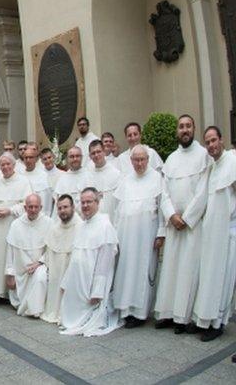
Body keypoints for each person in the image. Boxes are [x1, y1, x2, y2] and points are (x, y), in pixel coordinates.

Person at [154, 115, 210, 332]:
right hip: (174, 224)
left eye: (188, 126)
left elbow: (204, 190)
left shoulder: (203, 156)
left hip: (192, 226)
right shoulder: (171, 159)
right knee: (172, 270)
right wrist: (171, 215)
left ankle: (186, 317)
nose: (184, 130)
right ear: (177, 132)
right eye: (181, 127)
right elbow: (164, 192)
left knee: (189, 270)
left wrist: (187, 218)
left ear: (194, 129)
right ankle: (168, 313)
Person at [110, 145, 166, 328]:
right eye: (136, 160)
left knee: (142, 272)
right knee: (126, 271)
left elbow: (162, 209)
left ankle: (140, 314)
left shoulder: (157, 179)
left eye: (142, 159)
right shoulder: (126, 181)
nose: (139, 163)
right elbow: (118, 212)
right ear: (131, 161)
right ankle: (126, 310)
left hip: (146, 236)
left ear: (148, 160)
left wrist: (161, 233)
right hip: (126, 236)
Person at [191, 126, 236, 341]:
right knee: (209, 276)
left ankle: (218, 322)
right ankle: (205, 320)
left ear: (222, 140)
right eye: (207, 142)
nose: (211, 145)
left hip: (228, 232)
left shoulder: (232, 162)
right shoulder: (212, 167)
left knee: (223, 279)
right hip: (211, 231)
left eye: (213, 140)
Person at [60, 187, 120, 336]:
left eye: (89, 202)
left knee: (89, 320)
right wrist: (66, 281)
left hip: (92, 285)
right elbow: (75, 256)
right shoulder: (82, 225)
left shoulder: (105, 226)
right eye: (83, 202)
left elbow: (104, 264)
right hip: (78, 281)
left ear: (97, 202)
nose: (85, 205)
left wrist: (97, 291)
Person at [0, 153, 32, 301]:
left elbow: (27, 203)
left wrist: (10, 210)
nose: (5, 167)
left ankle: (10, 292)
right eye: (2, 165)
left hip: (13, 223)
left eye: (7, 164)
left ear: (14, 165)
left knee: (11, 256)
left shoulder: (23, 182)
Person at [5, 193, 51, 318]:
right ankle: (27, 305)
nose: (33, 210)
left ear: (41, 208)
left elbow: (50, 249)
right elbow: (10, 251)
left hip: (40, 265)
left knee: (40, 277)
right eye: (30, 207)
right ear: (25, 208)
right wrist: (10, 273)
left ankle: (34, 310)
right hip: (21, 269)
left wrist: (40, 262)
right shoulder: (16, 224)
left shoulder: (48, 223)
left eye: (36, 207)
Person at [41, 194, 82, 324]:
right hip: (55, 270)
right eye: (59, 208)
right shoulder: (54, 228)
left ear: (73, 207)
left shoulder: (80, 227)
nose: (62, 211)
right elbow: (48, 251)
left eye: (65, 207)